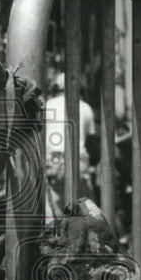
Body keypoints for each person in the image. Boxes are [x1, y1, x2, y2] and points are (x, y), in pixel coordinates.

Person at [44, 71, 97, 215]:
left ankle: (58, 234)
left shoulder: (48, 105)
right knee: (84, 210)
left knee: (53, 208)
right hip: (77, 161)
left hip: (53, 159)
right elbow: (92, 143)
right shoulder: (85, 107)